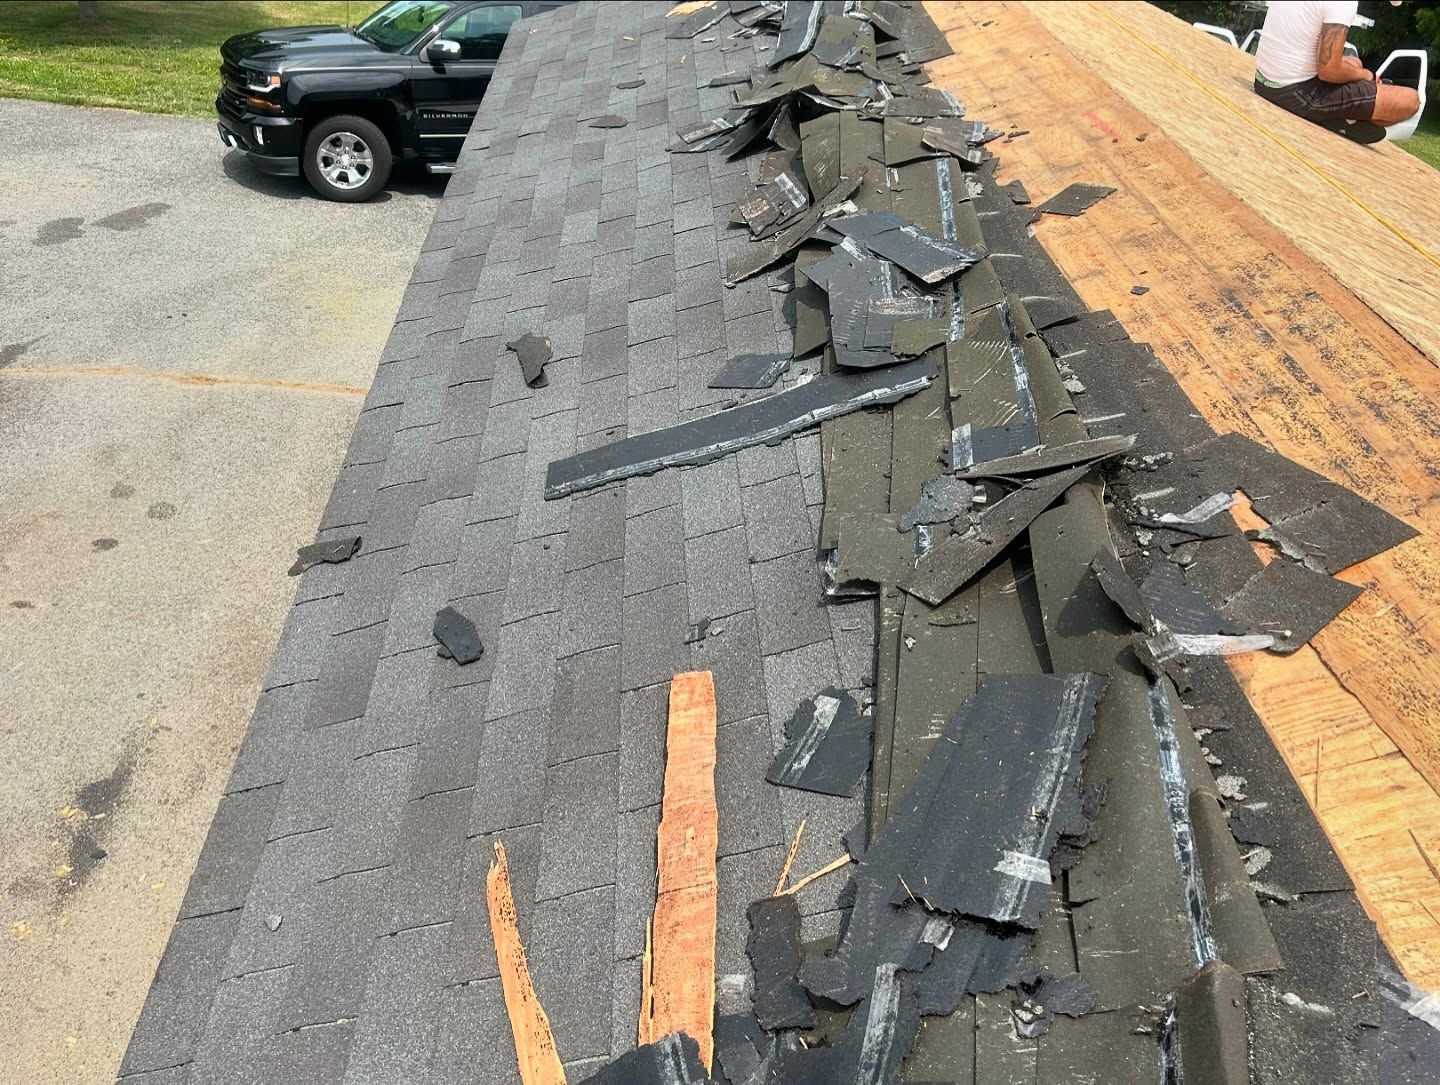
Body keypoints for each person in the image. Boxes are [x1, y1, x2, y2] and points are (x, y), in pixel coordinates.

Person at [1253, 1, 1420, 143]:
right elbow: (1328, 70)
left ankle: (1342, 116)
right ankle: (1336, 119)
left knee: (1355, 62)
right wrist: (1367, 76)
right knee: (1410, 101)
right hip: (1295, 92)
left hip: (1263, 78)